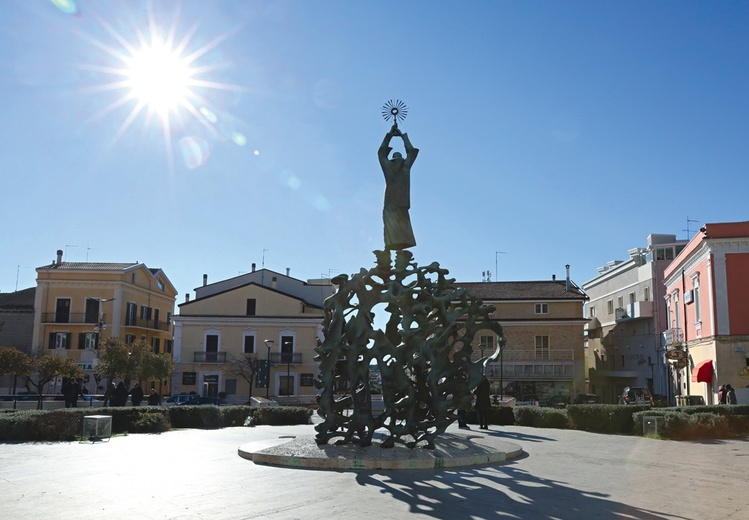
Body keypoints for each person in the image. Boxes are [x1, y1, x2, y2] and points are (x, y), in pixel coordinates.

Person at [378, 125, 418, 250]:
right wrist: (403, 137)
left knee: (390, 227)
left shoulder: (388, 167)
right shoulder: (405, 167)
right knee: (402, 227)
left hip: (390, 202)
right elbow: (411, 152)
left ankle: (391, 245)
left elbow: (381, 153)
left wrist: (389, 135)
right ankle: (399, 245)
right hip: (402, 202)